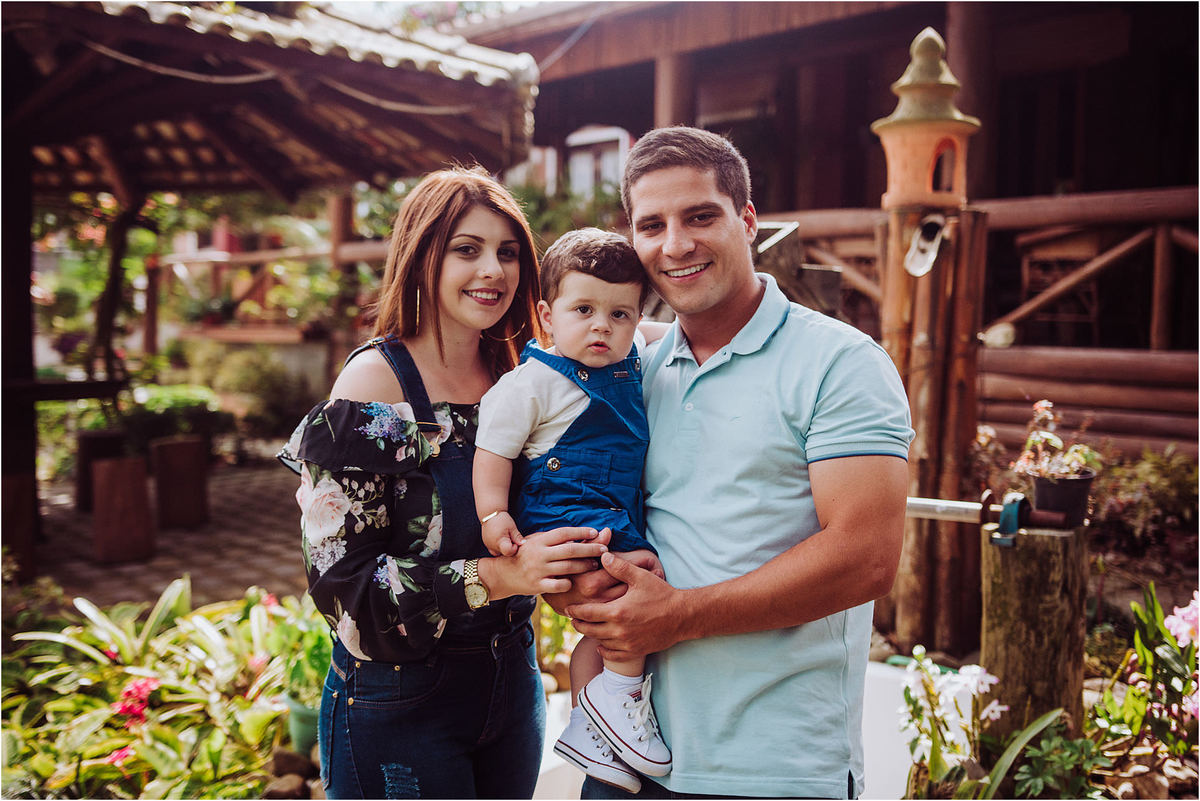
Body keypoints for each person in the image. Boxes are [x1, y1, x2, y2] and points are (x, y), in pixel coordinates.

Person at [552, 126, 916, 799]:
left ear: (746, 220)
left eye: (699, 216)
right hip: (628, 760)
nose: (675, 244)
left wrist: (679, 613)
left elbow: (867, 555)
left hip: (772, 769)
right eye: (651, 224)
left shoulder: (841, 363)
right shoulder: (634, 376)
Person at [278, 166, 610, 800]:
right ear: (422, 254)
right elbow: (344, 585)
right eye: (467, 249)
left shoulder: (522, 377)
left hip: (512, 677)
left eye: (508, 253)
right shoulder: (375, 385)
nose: (494, 270)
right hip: (399, 698)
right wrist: (503, 576)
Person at [472, 228, 671, 794]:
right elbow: (494, 453)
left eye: (620, 314)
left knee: (618, 616)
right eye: (583, 309)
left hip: (615, 515)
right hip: (563, 518)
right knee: (623, 602)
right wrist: (492, 516)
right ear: (546, 315)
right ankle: (619, 700)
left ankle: (594, 725)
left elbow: (672, 334)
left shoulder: (633, 362)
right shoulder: (532, 382)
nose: (602, 326)